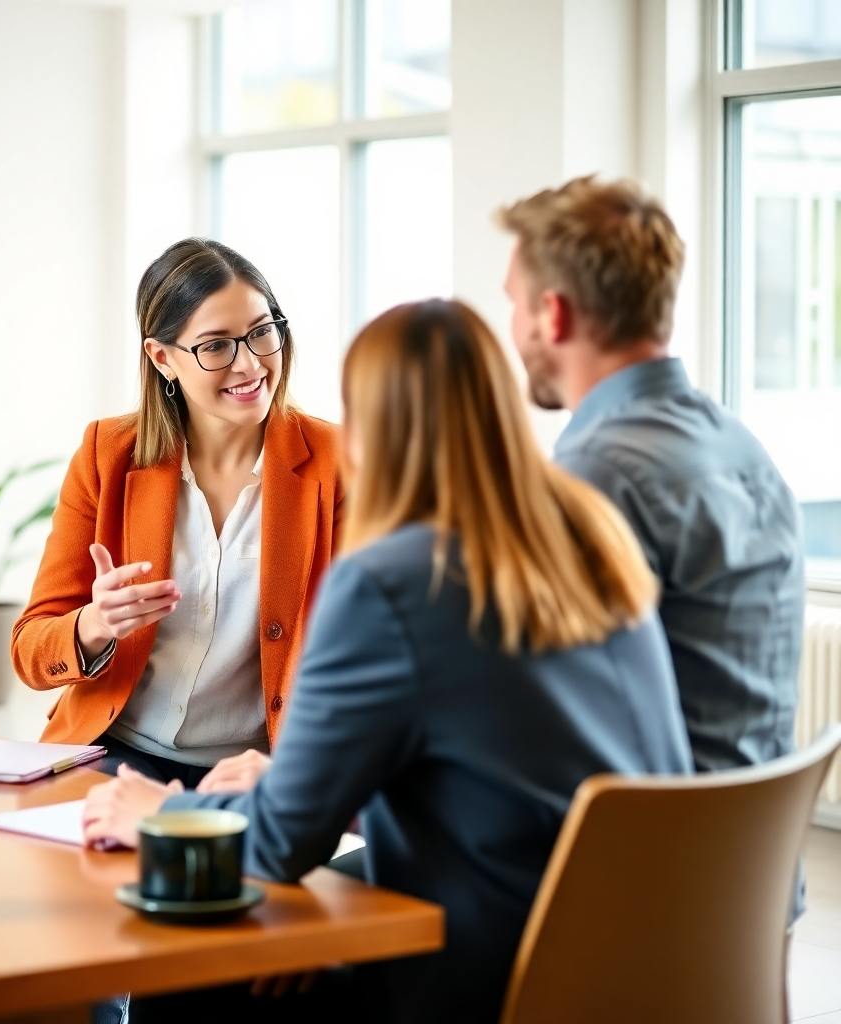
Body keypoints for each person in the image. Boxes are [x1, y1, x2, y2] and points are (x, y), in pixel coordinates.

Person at [83, 299, 693, 1023]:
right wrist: (290, 781)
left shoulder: (392, 579)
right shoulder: (591, 535)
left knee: (190, 960)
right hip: (634, 954)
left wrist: (167, 810)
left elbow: (280, 845)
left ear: (372, 426)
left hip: (486, 970)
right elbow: (492, 758)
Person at [497, 176, 805, 777]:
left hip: (646, 855)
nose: (512, 327)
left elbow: (541, 726)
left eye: (515, 302)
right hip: (750, 858)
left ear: (553, 314)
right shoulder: (739, 446)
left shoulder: (599, 474)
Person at [11, 238, 342, 786]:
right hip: (113, 752)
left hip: (252, 773)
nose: (251, 363)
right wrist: (96, 625)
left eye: (263, 331)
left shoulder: (338, 465)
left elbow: (369, 657)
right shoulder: (106, 454)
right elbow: (30, 646)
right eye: (216, 346)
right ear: (162, 357)